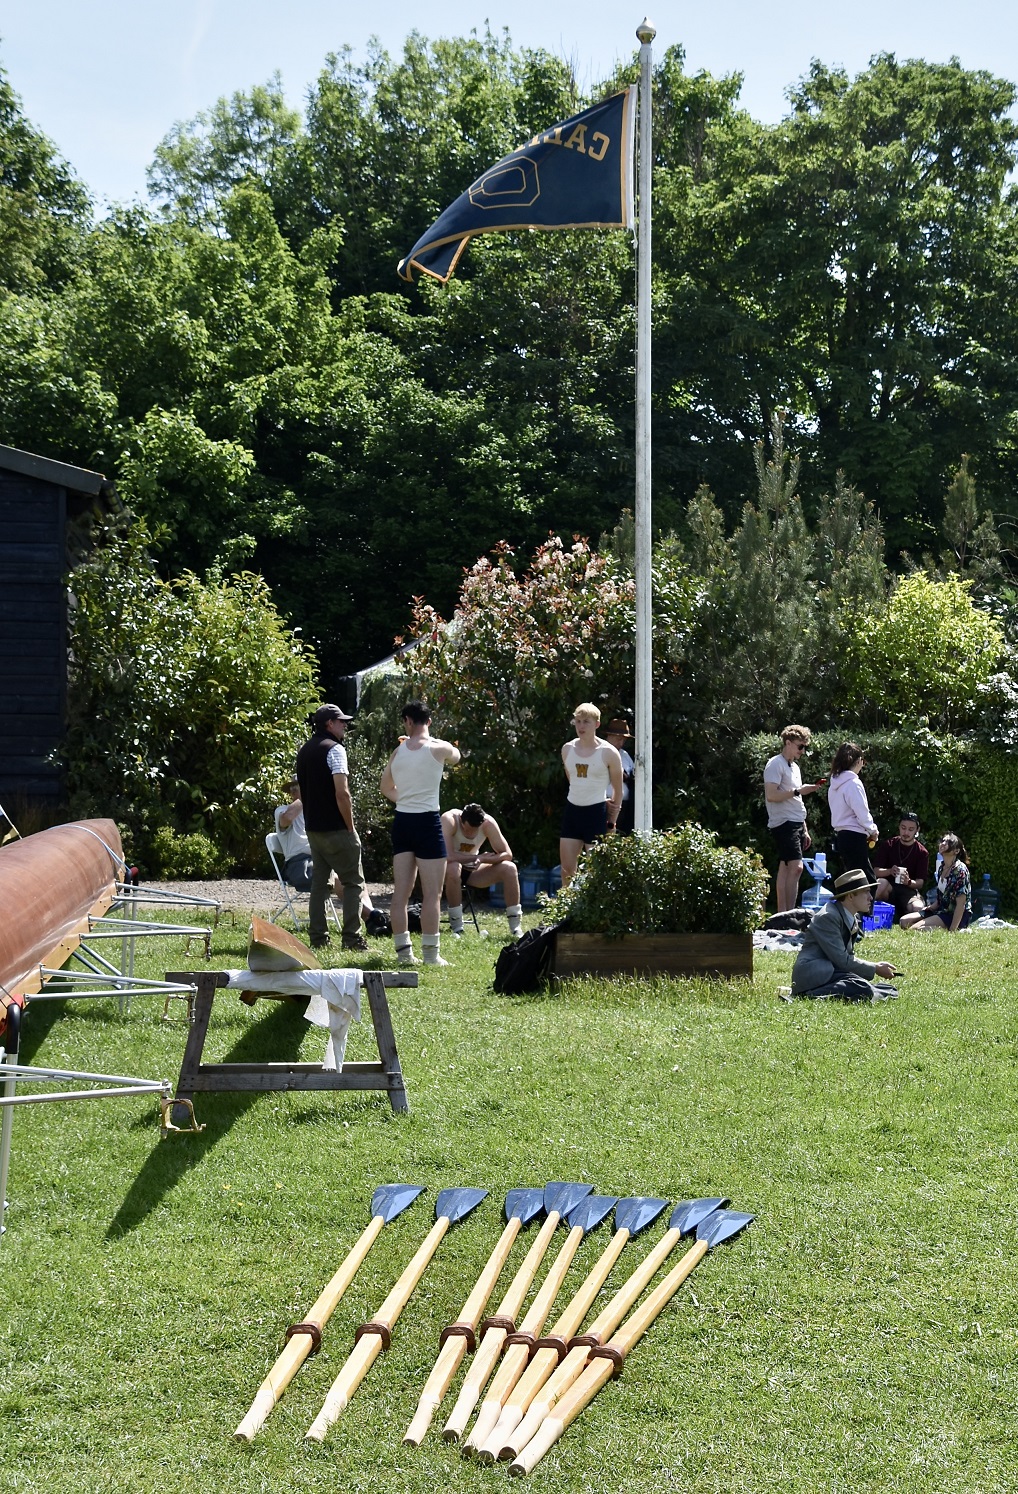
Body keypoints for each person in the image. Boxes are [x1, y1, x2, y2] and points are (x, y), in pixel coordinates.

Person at [380, 700, 461, 965]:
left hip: (403, 821)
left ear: (407, 721)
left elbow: (385, 788)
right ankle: (430, 955)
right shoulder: (438, 748)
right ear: (429, 721)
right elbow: (457, 757)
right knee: (432, 894)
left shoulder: (398, 751)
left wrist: (405, 799)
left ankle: (404, 954)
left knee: (401, 893)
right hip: (427, 823)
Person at [294, 705, 369, 953]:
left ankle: (318, 939)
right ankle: (352, 939)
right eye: (341, 721)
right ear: (329, 724)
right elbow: (342, 793)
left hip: (313, 828)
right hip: (336, 828)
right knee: (353, 883)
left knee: (320, 884)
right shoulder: (335, 749)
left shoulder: (304, 750)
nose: (345, 725)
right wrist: (350, 827)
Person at [275, 778, 380, 926]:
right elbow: (287, 819)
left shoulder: (316, 813)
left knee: (353, 874)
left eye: (298, 786)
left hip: (321, 859)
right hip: (299, 866)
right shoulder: (282, 810)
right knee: (334, 877)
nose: (294, 790)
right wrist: (308, 794)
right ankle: (372, 917)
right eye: (293, 788)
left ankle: (372, 918)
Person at [790, 868, 899, 1001]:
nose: (871, 897)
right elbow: (842, 960)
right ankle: (808, 995)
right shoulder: (828, 917)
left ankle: (867, 991)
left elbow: (847, 958)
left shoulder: (850, 915)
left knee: (884, 988)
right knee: (863, 988)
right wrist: (875, 968)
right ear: (851, 896)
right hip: (814, 975)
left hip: (834, 971)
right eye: (866, 892)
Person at [559, 702, 623, 888]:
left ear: (597, 724)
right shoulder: (567, 749)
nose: (581, 726)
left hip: (596, 813)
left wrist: (611, 822)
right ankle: (566, 905)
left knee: (598, 872)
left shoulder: (609, 753)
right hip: (573, 812)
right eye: (578, 721)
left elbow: (617, 791)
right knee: (567, 871)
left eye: (586, 722)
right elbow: (572, 780)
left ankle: (596, 907)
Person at [763, 724, 823, 913]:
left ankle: (783, 914)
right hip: (783, 822)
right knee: (797, 867)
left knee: (786, 866)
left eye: (805, 747)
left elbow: (796, 799)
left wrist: (804, 829)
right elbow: (771, 795)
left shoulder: (795, 767)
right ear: (788, 743)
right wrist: (798, 791)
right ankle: (788, 914)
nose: (802, 751)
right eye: (800, 746)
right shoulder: (775, 764)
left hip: (796, 822)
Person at [442, 803, 523, 939]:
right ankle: (457, 927)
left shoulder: (488, 823)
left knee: (510, 868)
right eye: (467, 829)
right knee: (454, 867)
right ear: (461, 819)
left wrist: (484, 860)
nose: (470, 834)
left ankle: (515, 927)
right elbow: (448, 856)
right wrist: (477, 857)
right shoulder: (449, 820)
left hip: (472, 870)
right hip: (446, 871)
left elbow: (507, 854)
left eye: (475, 830)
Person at [828, 741, 878, 882]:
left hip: (842, 837)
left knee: (853, 882)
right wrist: (873, 830)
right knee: (867, 882)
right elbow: (862, 813)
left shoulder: (834, 785)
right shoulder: (853, 783)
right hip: (855, 837)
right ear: (858, 761)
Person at [900, 833, 972, 931]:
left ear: (956, 851)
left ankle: (952, 930)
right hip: (941, 910)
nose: (943, 843)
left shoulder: (960, 870)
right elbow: (942, 895)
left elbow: (961, 904)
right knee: (904, 921)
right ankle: (937, 928)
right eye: (943, 841)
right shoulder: (942, 867)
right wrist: (931, 907)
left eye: (948, 842)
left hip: (953, 915)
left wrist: (952, 930)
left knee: (914, 929)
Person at [873, 813, 929, 923]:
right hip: (888, 888)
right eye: (903, 828)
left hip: (908, 891)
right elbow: (875, 871)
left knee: (918, 907)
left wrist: (908, 882)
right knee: (881, 883)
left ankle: (906, 918)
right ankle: (867, 914)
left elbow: (920, 883)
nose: (906, 833)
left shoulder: (922, 852)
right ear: (899, 827)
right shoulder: (889, 845)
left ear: (917, 830)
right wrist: (890, 871)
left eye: (910, 829)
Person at [601, 718, 635, 835]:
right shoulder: (600, 752)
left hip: (623, 805)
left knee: (621, 835)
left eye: (623, 740)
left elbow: (631, 775)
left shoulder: (624, 755)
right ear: (609, 736)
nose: (621, 743)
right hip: (605, 802)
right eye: (619, 739)